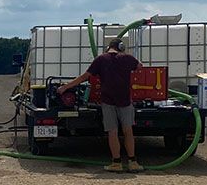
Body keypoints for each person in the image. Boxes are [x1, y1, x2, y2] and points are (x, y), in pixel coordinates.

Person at [58, 39, 143, 172]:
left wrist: (65, 87)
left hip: (108, 101)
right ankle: (133, 162)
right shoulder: (127, 58)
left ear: (108, 48)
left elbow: (84, 77)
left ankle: (116, 163)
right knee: (128, 131)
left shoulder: (101, 59)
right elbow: (140, 66)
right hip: (125, 100)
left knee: (112, 132)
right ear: (121, 47)